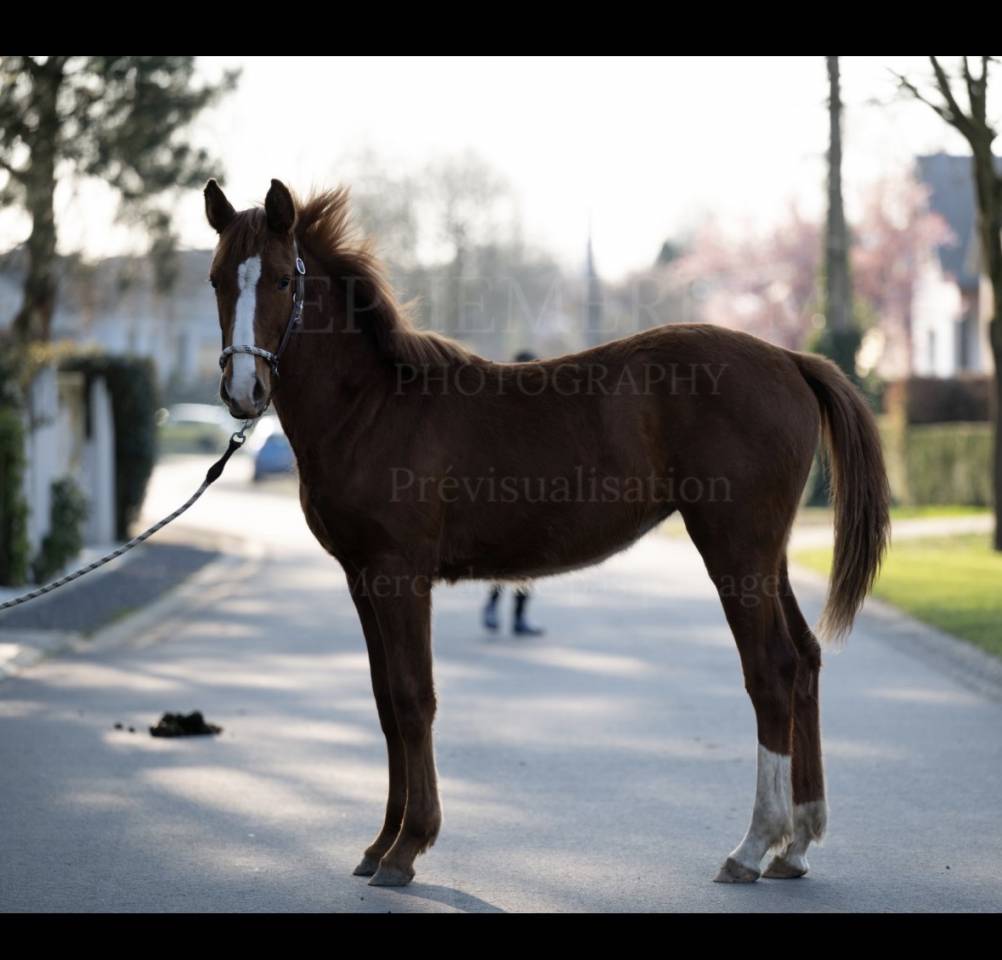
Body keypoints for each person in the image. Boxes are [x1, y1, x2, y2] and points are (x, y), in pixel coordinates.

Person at [482, 348, 547, 637]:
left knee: (526, 558)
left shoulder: (541, 407)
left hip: (529, 493)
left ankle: (516, 615)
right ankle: (496, 607)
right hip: (507, 494)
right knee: (510, 556)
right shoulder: (502, 406)